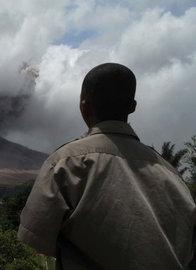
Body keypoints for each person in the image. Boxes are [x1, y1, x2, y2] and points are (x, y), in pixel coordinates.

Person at [18, 63, 196, 269]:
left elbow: (30, 246)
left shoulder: (65, 164)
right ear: (133, 107)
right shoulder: (172, 175)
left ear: (84, 106)